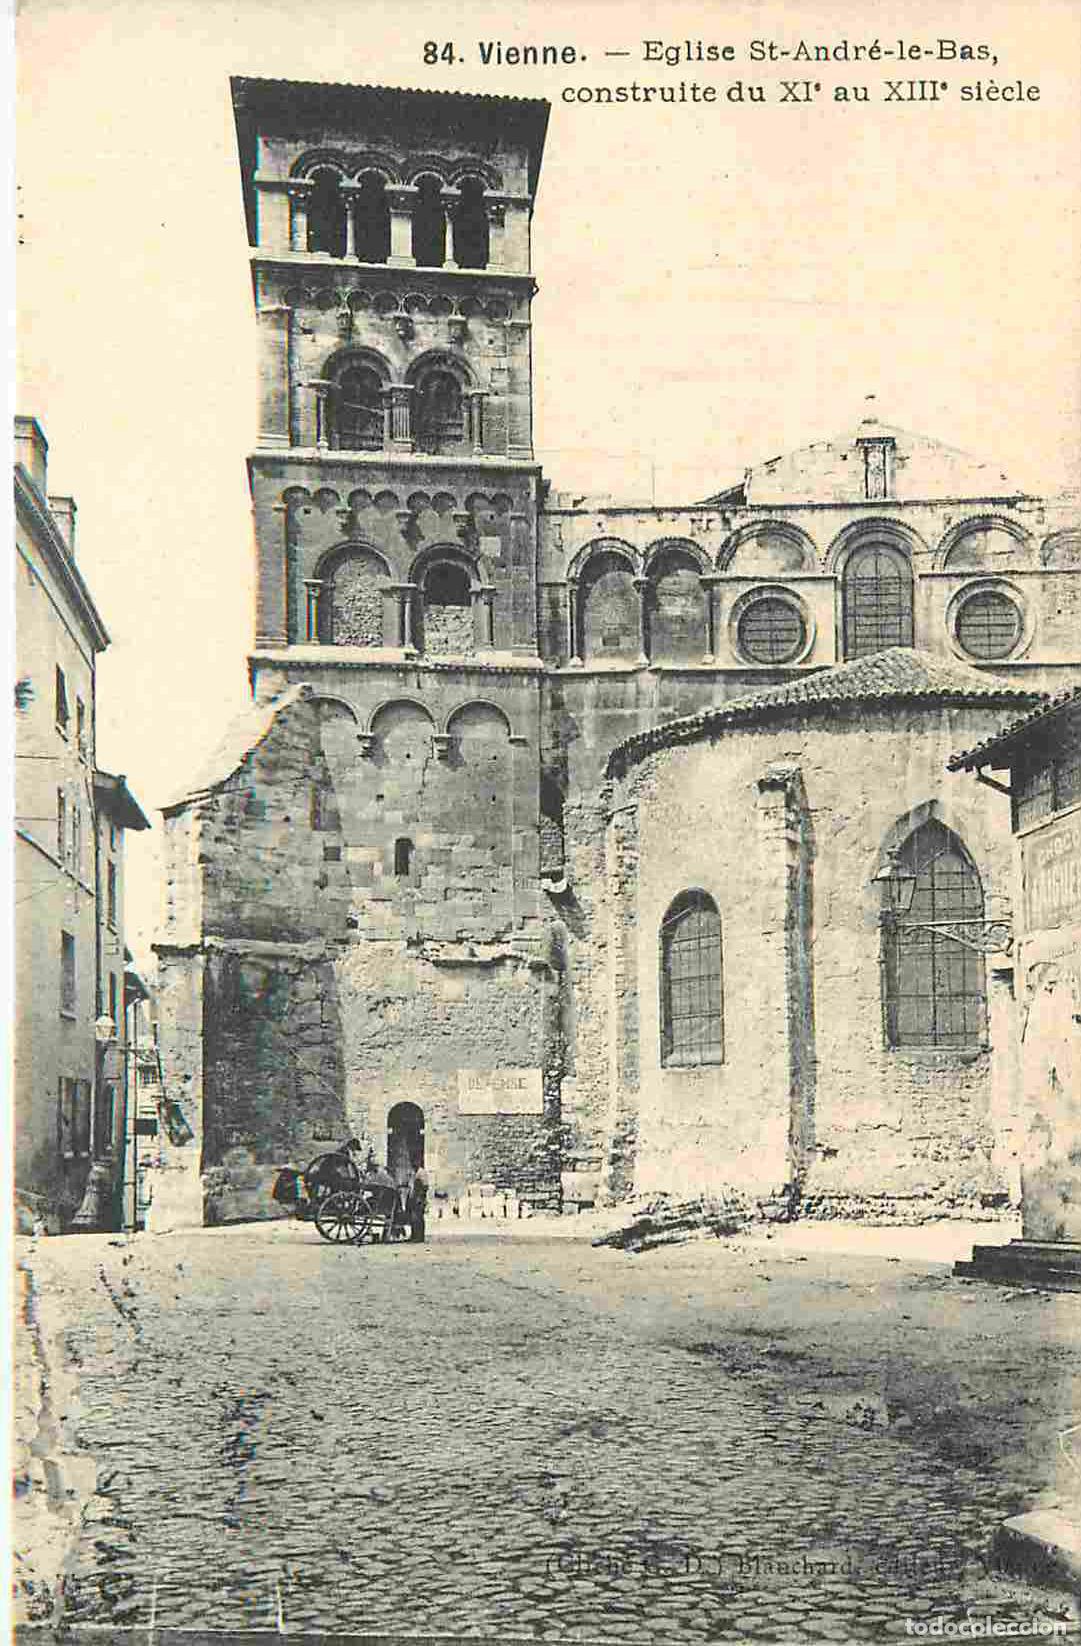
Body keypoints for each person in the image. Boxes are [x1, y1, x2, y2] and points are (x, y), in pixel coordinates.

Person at [407, 1159, 429, 1243]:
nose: (413, 1164)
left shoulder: (422, 1173)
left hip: (419, 1198)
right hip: (414, 1197)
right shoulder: (414, 1173)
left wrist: (421, 1198)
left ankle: (420, 1237)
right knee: (413, 1218)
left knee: (419, 1218)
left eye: (415, 1162)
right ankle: (414, 1236)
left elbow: (425, 1186)